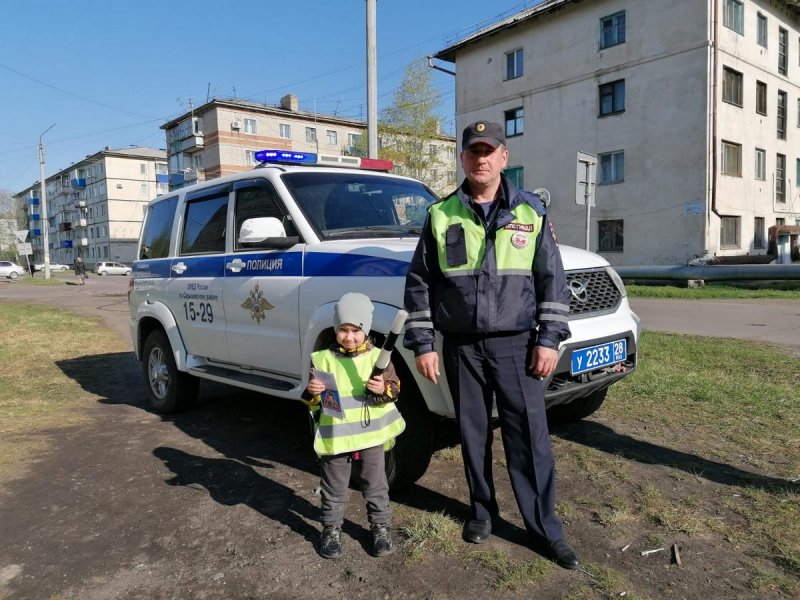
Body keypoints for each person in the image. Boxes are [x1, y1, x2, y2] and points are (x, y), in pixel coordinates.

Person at [403, 121, 579, 569]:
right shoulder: (441, 215)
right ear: (462, 158)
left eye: (489, 151)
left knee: (530, 437)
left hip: (518, 346)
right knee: (472, 434)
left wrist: (549, 339)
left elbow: (551, 283)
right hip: (461, 346)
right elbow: (421, 283)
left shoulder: (531, 212)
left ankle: (543, 528)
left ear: (504, 157)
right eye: (472, 151)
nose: (481, 159)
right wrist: (423, 344)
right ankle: (482, 512)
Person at [301, 292, 406, 560]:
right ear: (336, 330)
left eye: (356, 330)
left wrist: (383, 388)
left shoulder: (378, 359)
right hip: (336, 440)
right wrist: (312, 391)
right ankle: (331, 530)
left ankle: (380, 528)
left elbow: (394, 392)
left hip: (371, 439)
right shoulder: (322, 359)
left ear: (366, 330)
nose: (349, 336)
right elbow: (312, 403)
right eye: (343, 330)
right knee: (334, 488)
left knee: (376, 484)